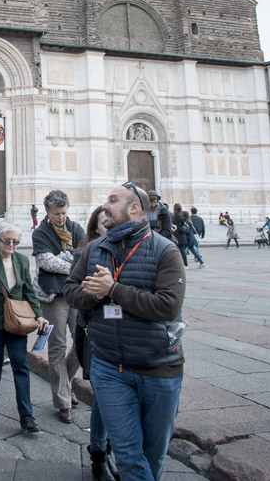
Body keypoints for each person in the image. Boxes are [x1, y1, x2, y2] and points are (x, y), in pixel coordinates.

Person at [64, 183, 186, 481]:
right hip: (109, 366)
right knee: (128, 454)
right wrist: (95, 295)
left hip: (157, 368)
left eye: (112, 200)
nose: (104, 205)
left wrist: (114, 289)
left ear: (134, 208)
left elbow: (168, 306)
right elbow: (71, 290)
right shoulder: (95, 249)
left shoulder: (165, 250)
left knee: (153, 456)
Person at [0, 220, 47, 435]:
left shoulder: (22, 260)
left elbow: (29, 291)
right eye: (7, 241)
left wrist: (39, 315)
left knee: (21, 365)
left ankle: (27, 415)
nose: (12, 245)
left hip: (18, 322)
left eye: (15, 242)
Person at [72, 206, 118, 481]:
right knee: (103, 396)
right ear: (95, 228)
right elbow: (73, 292)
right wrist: (99, 294)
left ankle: (113, 451)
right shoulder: (87, 253)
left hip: (127, 335)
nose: (110, 225)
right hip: (96, 332)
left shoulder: (132, 251)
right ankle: (99, 452)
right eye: (105, 222)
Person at [32, 189, 84, 422]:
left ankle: (66, 383)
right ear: (47, 212)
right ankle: (63, 402)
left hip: (76, 293)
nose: (61, 217)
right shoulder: (41, 232)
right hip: (52, 296)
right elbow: (47, 262)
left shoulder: (76, 229)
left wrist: (65, 258)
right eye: (56, 214)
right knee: (57, 346)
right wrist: (72, 259)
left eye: (63, 213)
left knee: (83, 341)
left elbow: (85, 255)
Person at [172, 204, 204, 269]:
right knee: (191, 251)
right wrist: (202, 234)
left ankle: (186, 264)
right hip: (189, 238)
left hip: (187, 238)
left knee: (184, 251)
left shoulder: (182, 219)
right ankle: (200, 262)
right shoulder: (189, 221)